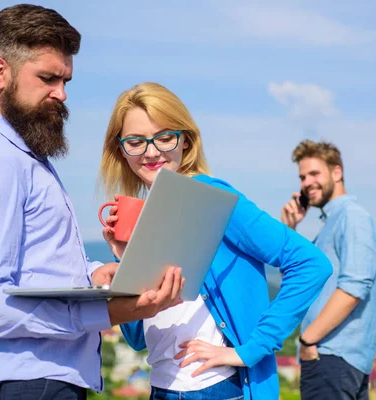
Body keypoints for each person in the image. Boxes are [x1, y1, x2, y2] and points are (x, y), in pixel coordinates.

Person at [0, 6, 183, 399]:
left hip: (38, 382)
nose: (61, 94)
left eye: (65, 80)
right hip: (27, 384)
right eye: (47, 79)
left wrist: (95, 275)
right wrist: (106, 312)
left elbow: (35, 265)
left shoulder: (23, 157)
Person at [98, 82, 333, 399]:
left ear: (186, 141)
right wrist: (124, 259)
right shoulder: (144, 213)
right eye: (136, 142)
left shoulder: (212, 196)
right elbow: (139, 336)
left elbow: (311, 264)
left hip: (215, 390)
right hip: (162, 389)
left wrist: (248, 351)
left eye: (164, 137)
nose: (151, 151)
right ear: (121, 149)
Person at [281, 140, 376, 400]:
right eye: (302, 177)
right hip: (331, 358)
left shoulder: (352, 216)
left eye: (314, 173)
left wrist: (307, 340)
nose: (306, 182)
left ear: (336, 173)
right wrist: (290, 230)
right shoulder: (329, 225)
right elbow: (295, 284)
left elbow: (354, 287)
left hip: (332, 356)